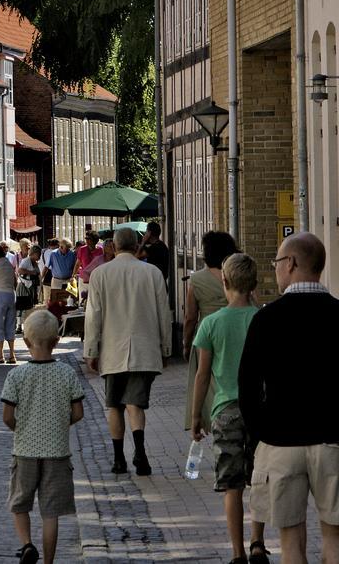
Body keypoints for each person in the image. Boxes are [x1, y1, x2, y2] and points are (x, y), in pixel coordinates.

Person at [239, 232, 339, 564]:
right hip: (332, 441)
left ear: (292, 264)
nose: (276, 270)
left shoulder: (266, 320)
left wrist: (260, 433)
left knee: (290, 539)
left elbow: (248, 387)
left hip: (280, 442)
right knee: (335, 537)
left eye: (278, 263)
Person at [191, 253, 269, 564]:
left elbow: (202, 374)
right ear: (254, 284)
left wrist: (197, 415)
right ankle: (258, 543)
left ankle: (237, 552)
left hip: (225, 410)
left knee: (232, 485)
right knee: (259, 480)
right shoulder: (263, 319)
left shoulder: (211, 324)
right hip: (261, 410)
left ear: (224, 282)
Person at [83, 227, 170, 476]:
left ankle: (119, 458)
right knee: (136, 404)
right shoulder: (152, 273)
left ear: (114, 246)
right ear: (136, 245)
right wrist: (165, 347)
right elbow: (164, 313)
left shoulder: (100, 274)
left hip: (112, 349)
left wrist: (91, 349)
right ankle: (140, 453)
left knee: (114, 406)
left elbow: (93, 316)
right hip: (144, 348)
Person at [2, 309, 84, 564]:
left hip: (25, 450)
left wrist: (22, 428)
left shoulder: (16, 375)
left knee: (20, 503)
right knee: (51, 513)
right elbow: (78, 412)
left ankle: (27, 544)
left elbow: (7, 415)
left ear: (26, 342)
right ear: (57, 341)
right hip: (57, 452)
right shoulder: (67, 374)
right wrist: (61, 423)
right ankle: (48, 561)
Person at [183, 231, 239, 433]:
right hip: (234, 331)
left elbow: (190, 317)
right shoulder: (237, 275)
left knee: (206, 379)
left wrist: (186, 342)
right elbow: (254, 302)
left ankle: (212, 420)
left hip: (206, 335)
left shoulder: (197, 279)